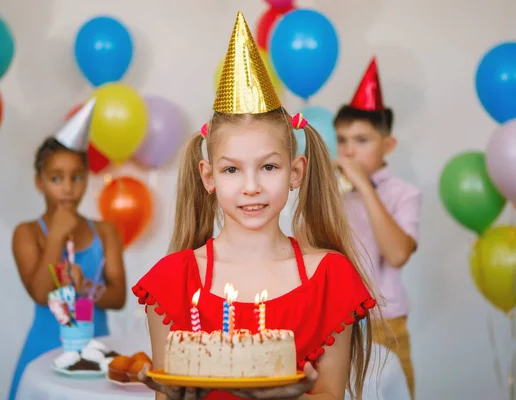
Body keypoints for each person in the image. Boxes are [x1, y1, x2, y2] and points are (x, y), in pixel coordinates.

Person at [132, 12, 380, 400]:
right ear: (208, 177)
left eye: (268, 166)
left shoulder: (330, 279)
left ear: (296, 171)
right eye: (231, 169)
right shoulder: (173, 282)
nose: (251, 187)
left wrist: (285, 395)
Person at [8, 101, 127, 400]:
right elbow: (39, 293)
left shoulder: (104, 231)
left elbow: (119, 297)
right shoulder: (28, 233)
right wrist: (57, 235)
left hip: (95, 357)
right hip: (43, 354)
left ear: (87, 179)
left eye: (77, 177)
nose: (68, 188)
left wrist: (84, 286)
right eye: (56, 178)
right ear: (40, 182)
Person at [334, 57, 422, 399]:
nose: (349, 150)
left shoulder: (404, 194)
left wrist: (364, 186)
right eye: (342, 140)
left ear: (388, 146)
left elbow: (398, 254)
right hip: (339, 325)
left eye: (362, 140)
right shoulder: (333, 192)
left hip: (386, 326)